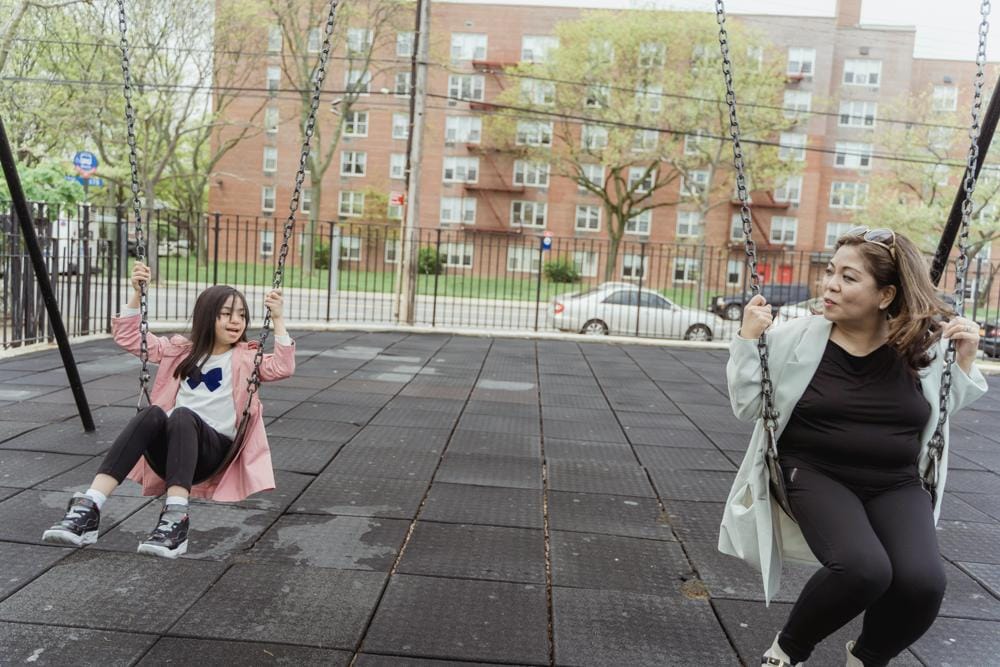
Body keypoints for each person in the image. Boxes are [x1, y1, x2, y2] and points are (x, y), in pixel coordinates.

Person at [719, 228, 989, 667]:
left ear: (885, 294)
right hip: (814, 471)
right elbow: (749, 406)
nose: (829, 285)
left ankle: (866, 658)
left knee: (922, 583)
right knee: (864, 569)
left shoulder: (920, 348)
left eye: (847, 277)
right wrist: (749, 341)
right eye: (830, 272)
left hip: (896, 481)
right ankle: (787, 652)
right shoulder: (795, 339)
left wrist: (963, 359)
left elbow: (943, 411)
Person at [42, 261, 295, 558]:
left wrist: (277, 319)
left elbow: (282, 366)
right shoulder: (180, 351)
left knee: (183, 415)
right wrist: (137, 294)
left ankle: (175, 519)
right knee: (152, 413)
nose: (235, 320)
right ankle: (90, 506)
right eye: (226, 314)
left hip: (213, 451)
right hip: (172, 449)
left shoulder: (246, 358)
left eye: (241, 314)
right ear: (206, 317)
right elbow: (129, 338)